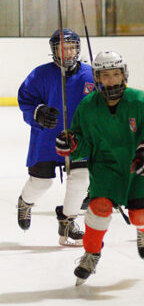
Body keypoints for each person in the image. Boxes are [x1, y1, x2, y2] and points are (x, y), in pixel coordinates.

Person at [56, 50, 144, 285]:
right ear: (97, 78)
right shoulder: (87, 106)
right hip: (105, 168)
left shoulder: (142, 100)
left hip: (137, 167)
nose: (111, 80)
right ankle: (91, 253)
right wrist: (71, 142)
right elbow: (81, 141)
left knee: (140, 216)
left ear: (124, 74)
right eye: (105, 75)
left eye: (115, 74)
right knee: (99, 208)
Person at [17, 29, 94, 246]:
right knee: (41, 182)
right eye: (63, 47)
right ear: (54, 50)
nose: (68, 52)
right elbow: (25, 99)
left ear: (78, 49)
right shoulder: (40, 74)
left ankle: (67, 222)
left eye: (72, 47)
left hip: (79, 140)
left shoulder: (90, 74)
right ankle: (25, 202)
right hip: (47, 139)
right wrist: (38, 112)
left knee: (81, 179)